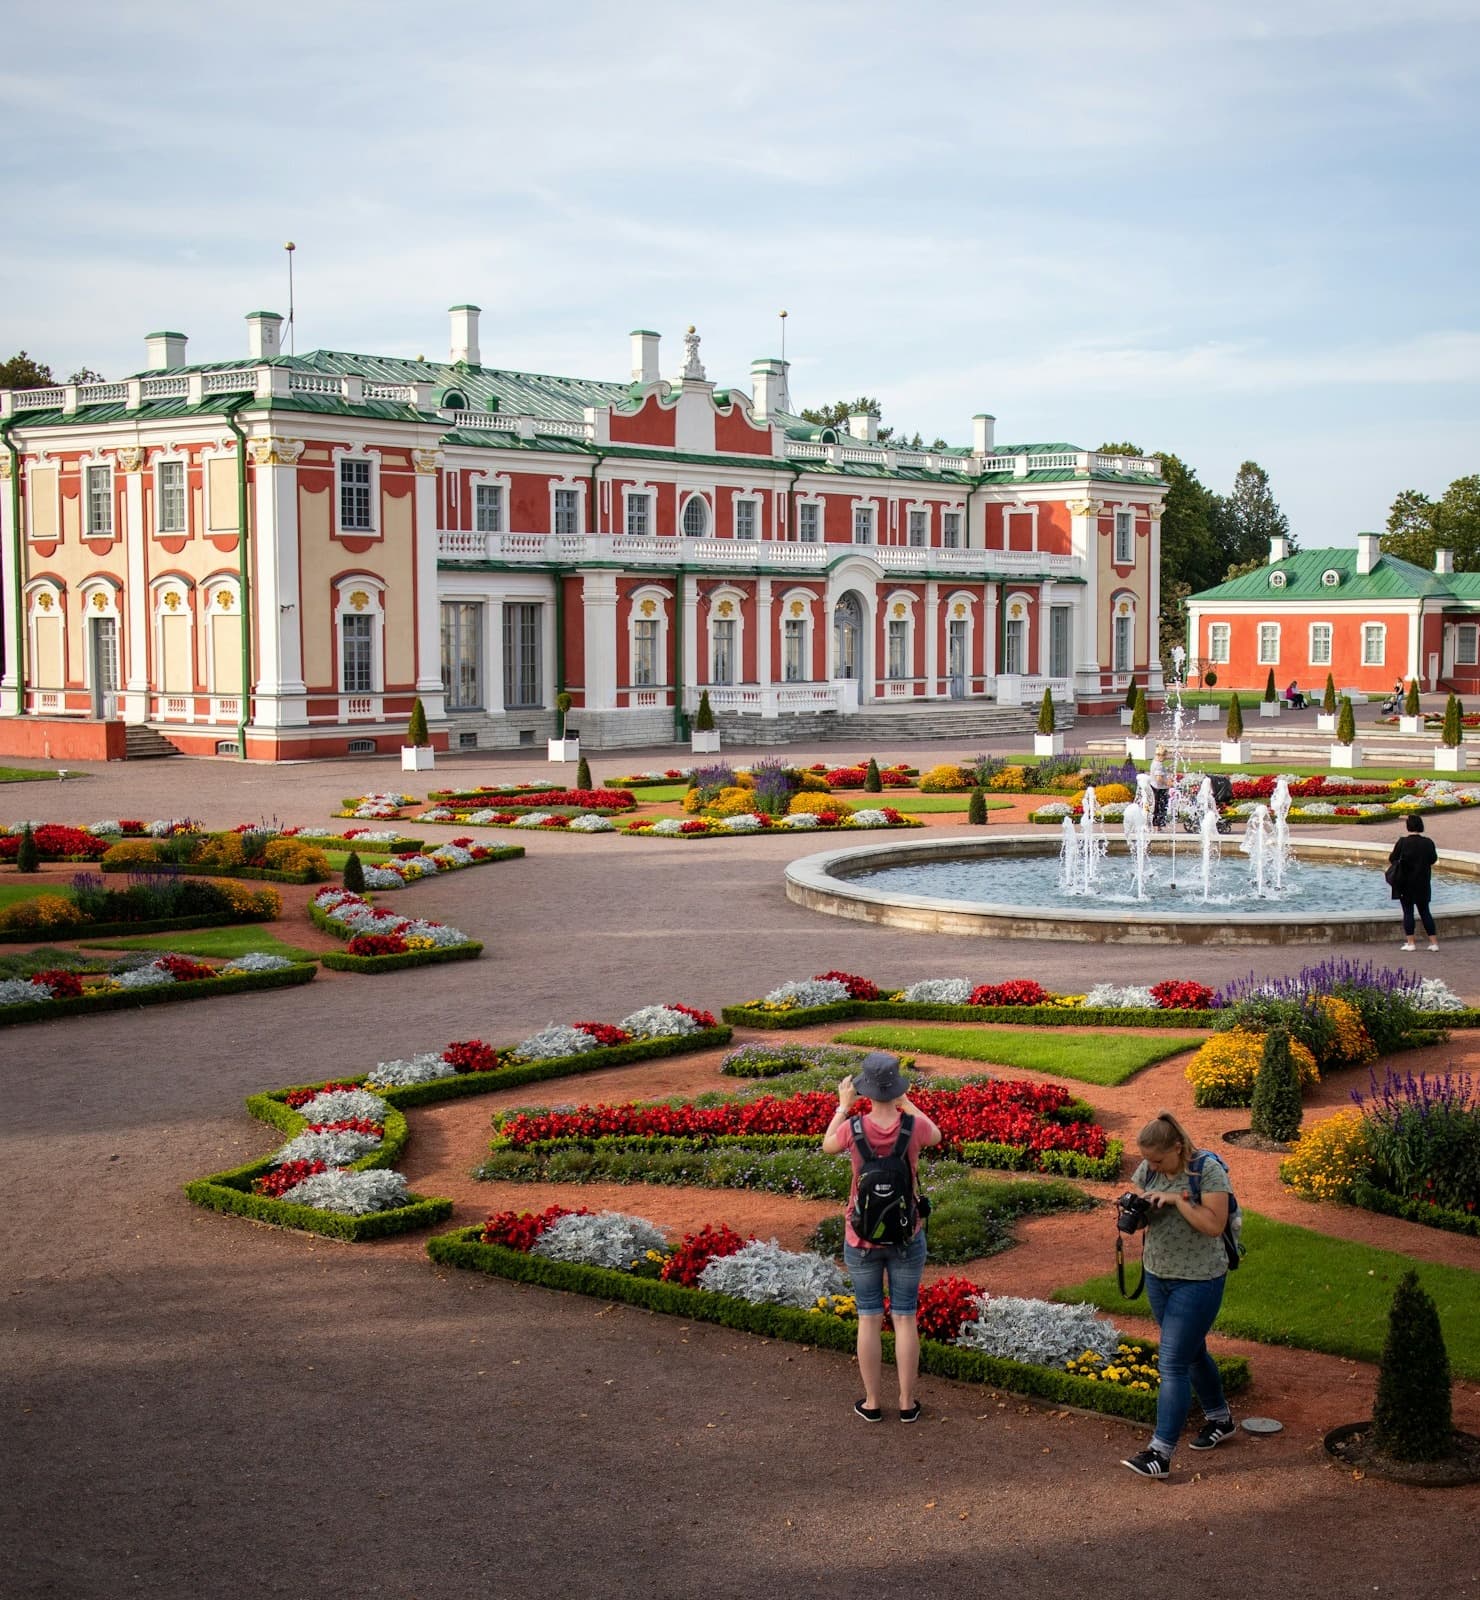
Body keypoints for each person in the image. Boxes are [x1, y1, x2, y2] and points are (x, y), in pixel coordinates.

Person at [822, 1050, 941, 1423]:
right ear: (897, 1089)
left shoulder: (853, 1128)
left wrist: (843, 1107)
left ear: (865, 1092)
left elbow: (826, 1145)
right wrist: (909, 1104)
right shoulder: (913, 1127)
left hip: (860, 1236)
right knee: (906, 1318)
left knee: (869, 1317)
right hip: (906, 1235)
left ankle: (872, 1402)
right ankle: (907, 1402)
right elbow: (936, 1134)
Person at [1120, 1110, 1236, 1479]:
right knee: (1191, 1353)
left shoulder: (1207, 1170)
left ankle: (1160, 1453)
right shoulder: (1151, 1169)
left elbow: (1214, 1225)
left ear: (1178, 1147)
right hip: (1158, 1275)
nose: (1150, 1166)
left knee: (1171, 1362)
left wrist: (1177, 1201)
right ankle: (1220, 1418)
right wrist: (1134, 1213)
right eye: (1147, 1160)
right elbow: (1143, 1215)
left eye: (1157, 1159)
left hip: (1199, 1279)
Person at [1389, 812, 1439, 952]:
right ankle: (1434, 942)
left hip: (1405, 882)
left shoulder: (1403, 842)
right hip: (1423, 882)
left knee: (1408, 912)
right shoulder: (1428, 842)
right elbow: (1433, 859)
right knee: (1425, 912)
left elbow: (1392, 858)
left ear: (1408, 826)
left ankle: (1411, 943)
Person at [1148, 744, 1169, 828]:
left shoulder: (1154, 762)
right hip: (1159, 789)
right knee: (1160, 806)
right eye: (1165, 756)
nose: (1165, 758)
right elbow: (1159, 778)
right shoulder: (1159, 765)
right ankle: (1158, 825)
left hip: (1154, 787)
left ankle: (1156, 825)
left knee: (1156, 806)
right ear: (1161, 755)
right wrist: (1168, 783)